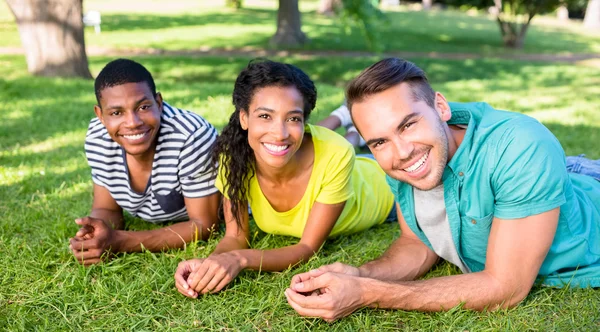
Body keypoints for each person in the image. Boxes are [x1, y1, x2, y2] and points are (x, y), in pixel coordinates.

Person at [285, 58, 600, 320]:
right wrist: (359, 274)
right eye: (379, 141)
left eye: (408, 124)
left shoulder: (520, 147)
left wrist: (368, 293)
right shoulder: (402, 161)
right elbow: (417, 243)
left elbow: (506, 287)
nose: (402, 152)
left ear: (441, 107)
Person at [174, 60, 395, 298]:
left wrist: (240, 259)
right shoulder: (234, 159)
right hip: (334, 161)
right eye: (265, 116)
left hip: (386, 190)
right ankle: (347, 123)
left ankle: (351, 128)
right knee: (291, 144)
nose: (279, 132)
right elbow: (235, 236)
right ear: (244, 118)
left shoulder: (336, 153)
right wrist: (209, 266)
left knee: (340, 146)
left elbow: (307, 247)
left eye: (293, 119)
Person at [69, 59, 220, 266]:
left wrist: (120, 241)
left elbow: (204, 225)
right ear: (100, 115)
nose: (133, 123)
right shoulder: (97, 137)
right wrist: (97, 234)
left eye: (143, 107)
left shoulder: (192, 136)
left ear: (159, 103)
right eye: (116, 113)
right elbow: (108, 209)